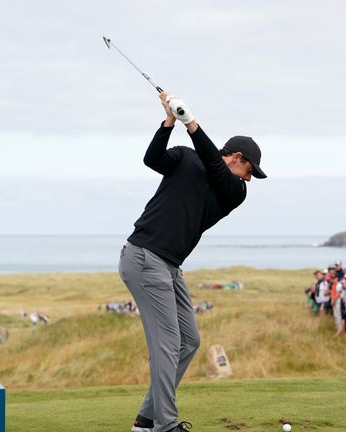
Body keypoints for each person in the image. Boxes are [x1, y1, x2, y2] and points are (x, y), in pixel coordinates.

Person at [120, 93, 266, 432]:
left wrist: (192, 124)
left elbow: (215, 168)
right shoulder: (186, 157)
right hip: (143, 256)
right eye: (249, 170)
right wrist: (170, 123)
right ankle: (166, 426)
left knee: (189, 341)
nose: (249, 179)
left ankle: (146, 419)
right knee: (168, 343)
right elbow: (152, 158)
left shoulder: (234, 191)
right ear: (238, 157)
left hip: (168, 266)